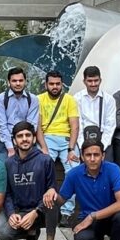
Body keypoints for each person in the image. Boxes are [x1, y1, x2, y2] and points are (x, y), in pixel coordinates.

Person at [54, 139, 120, 240]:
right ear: (82, 157)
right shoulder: (74, 174)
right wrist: (49, 194)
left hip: (111, 218)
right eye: (88, 155)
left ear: (103, 156)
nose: (92, 159)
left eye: (96, 155)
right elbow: (61, 199)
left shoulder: (113, 169)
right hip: (90, 220)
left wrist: (92, 216)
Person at [0, 121, 59, 240]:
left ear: (34, 138)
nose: (24, 139)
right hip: (22, 212)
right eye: (20, 136)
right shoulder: (8, 163)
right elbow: (7, 194)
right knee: (5, 235)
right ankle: (32, 233)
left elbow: (52, 189)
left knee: (52, 199)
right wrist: (12, 213)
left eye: (27, 135)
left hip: (43, 211)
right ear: (14, 141)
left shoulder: (45, 160)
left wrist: (36, 212)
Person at [36, 70, 80, 223]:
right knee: (41, 169)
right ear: (46, 84)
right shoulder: (39, 99)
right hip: (47, 138)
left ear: (62, 84)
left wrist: (71, 148)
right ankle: (41, 209)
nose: (55, 87)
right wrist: (44, 147)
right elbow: (38, 128)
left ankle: (66, 212)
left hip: (67, 140)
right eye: (51, 84)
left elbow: (75, 127)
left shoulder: (69, 100)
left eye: (57, 84)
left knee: (74, 171)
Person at [0, 67, 40, 156]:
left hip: (25, 138)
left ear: (25, 82)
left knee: (34, 165)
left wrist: (25, 142)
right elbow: (1, 126)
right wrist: (10, 149)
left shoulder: (33, 99)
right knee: (5, 167)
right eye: (14, 81)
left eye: (21, 80)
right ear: (8, 82)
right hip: (5, 140)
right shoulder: (0, 99)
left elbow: (32, 124)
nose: (18, 83)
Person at [73, 65, 117, 158]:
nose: (93, 84)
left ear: (100, 80)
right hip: (84, 138)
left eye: (96, 80)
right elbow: (78, 125)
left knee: (107, 168)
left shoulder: (109, 99)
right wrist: (83, 146)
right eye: (89, 81)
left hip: (102, 139)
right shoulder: (77, 98)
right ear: (84, 81)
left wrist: (102, 147)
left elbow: (110, 125)